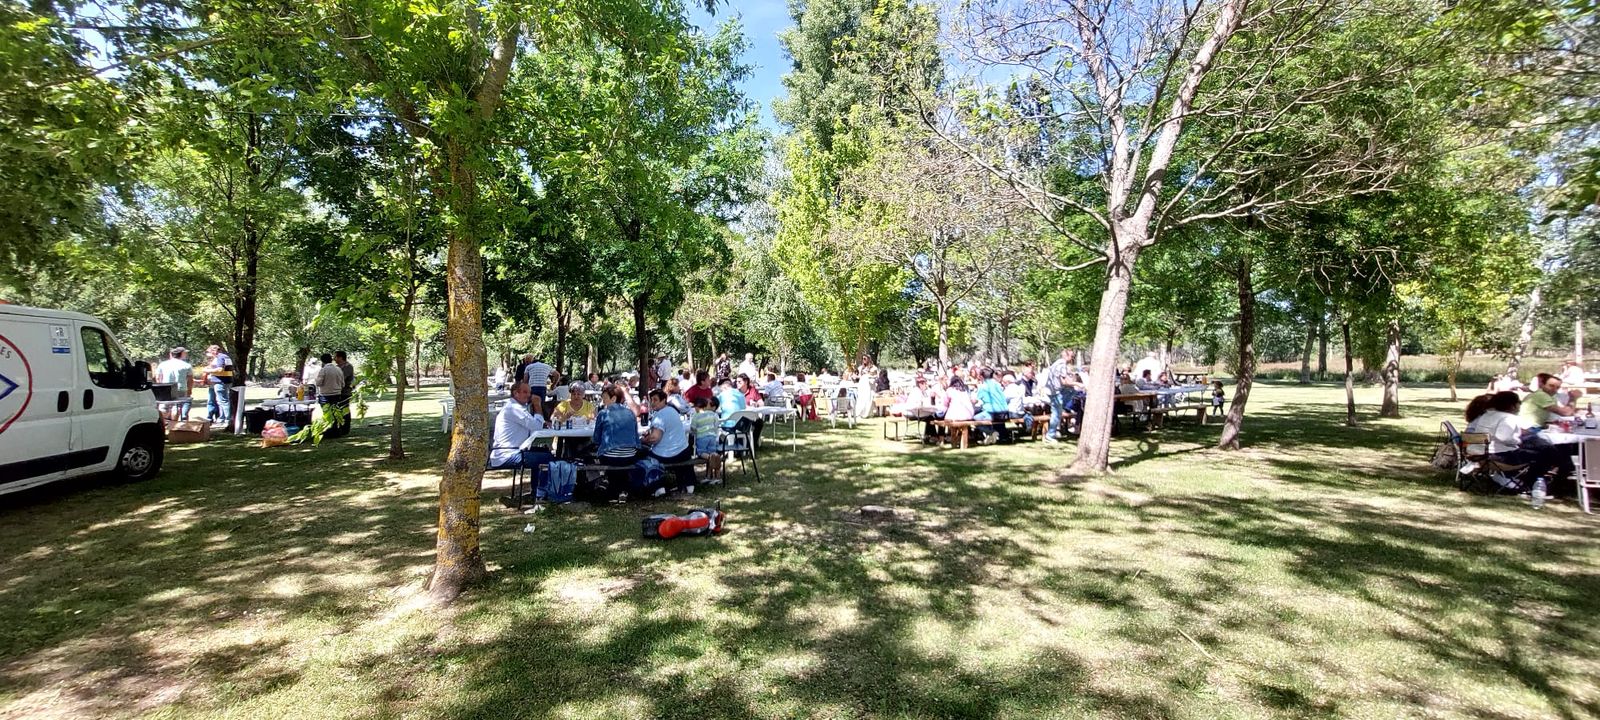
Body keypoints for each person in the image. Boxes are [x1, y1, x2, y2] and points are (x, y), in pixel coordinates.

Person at [1468, 391, 1575, 495]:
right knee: (1545, 454)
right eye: (1518, 402)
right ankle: (1531, 483)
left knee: (1544, 450)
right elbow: (1504, 437)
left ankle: (1519, 479)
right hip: (1499, 457)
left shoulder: (1487, 415)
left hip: (1480, 455)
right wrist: (1517, 441)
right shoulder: (1508, 418)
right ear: (1512, 405)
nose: (1520, 405)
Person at [489, 381, 553, 472]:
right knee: (548, 458)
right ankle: (541, 486)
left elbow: (534, 424)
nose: (529, 395)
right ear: (516, 393)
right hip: (507, 455)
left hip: (511, 452)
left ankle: (537, 486)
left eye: (530, 392)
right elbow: (537, 426)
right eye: (525, 392)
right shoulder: (514, 408)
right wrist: (537, 404)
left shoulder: (516, 407)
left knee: (545, 452)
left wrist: (542, 422)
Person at [643, 388, 693, 469]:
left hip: (667, 455)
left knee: (641, 454)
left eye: (655, 400)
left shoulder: (660, 415)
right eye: (651, 400)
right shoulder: (673, 410)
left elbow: (654, 438)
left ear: (663, 400)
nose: (652, 403)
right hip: (683, 451)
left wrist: (643, 440)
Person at [591, 385, 642, 463]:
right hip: (630, 455)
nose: (603, 401)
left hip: (609, 456)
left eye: (605, 398)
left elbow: (596, 438)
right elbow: (636, 436)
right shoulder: (630, 413)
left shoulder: (603, 413)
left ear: (614, 398)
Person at [313, 352, 347, 436]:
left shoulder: (323, 370)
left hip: (325, 395)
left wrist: (316, 379)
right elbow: (343, 383)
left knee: (327, 414)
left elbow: (318, 383)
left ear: (322, 361)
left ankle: (330, 431)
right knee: (336, 413)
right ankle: (337, 430)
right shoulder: (338, 369)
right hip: (337, 394)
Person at [691, 395, 723, 482]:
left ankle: (710, 458)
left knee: (701, 452)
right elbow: (716, 426)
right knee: (713, 453)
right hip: (712, 437)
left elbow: (693, 429)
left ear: (697, 407)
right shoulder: (713, 414)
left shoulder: (695, 416)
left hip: (701, 437)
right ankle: (715, 476)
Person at [973, 367, 1009, 444]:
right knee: (983, 414)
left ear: (981, 377)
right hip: (1004, 412)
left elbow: (975, 400)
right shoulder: (998, 385)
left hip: (993, 413)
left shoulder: (983, 387)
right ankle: (991, 437)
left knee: (975, 419)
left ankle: (992, 432)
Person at [155, 347, 193, 419]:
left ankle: (165, 422)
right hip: (181, 388)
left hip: (165, 388)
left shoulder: (163, 364)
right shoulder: (186, 365)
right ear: (181, 354)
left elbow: (158, 377)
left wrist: (160, 387)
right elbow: (190, 379)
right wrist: (189, 389)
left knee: (163, 406)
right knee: (177, 406)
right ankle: (174, 423)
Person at [203, 344, 234, 427]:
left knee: (223, 401)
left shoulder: (220, 357)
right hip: (227, 381)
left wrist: (208, 370)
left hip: (221, 381)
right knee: (222, 401)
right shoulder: (226, 357)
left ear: (214, 351)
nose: (208, 354)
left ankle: (228, 419)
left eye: (209, 351)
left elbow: (220, 369)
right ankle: (222, 417)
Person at [333, 350, 355, 437]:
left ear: (340, 357)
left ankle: (345, 428)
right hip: (337, 392)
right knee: (338, 411)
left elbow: (342, 378)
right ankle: (339, 427)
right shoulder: (336, 367)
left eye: (335, 357)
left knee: (345, 410)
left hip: (345, 392)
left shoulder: (348, 367)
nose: (334, 359)